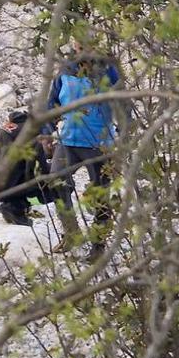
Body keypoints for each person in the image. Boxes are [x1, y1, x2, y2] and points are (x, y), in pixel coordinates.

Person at [46, 47, 123, 252]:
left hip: (99, 144)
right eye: (79, 42)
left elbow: (124, 105)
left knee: (100, 195)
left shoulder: (108, 71)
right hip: (69, 140)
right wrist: (47, 131)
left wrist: (124, 136)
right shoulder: (65, 70)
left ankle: (98, 246)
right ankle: (72, 234)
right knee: (56, 181)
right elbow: (51, 104)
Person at [0, 87, 70, 226]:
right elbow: (36, 171)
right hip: (6, 189)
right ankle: (17, 206)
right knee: (57, 187)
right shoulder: (33, 134)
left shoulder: (13, 126)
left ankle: (14, 205)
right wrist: (53, 166)